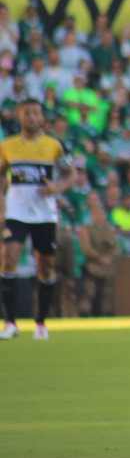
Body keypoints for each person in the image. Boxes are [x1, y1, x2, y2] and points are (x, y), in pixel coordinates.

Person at [0, 99, 76, 340]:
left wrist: (58, 187)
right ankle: (10, 322)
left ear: (42, 118)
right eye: (27, 113)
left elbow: (71, 173)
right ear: (19, 117)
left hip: (44, 214)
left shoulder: (55, 146)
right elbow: (2, 174)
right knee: (8, 258)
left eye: (36, 113)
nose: (32, 117)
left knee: (46, 266)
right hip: (16, 211)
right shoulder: (8, 146)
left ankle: (41, 322)